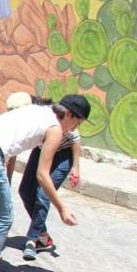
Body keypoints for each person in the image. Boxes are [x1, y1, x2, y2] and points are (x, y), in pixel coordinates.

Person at [0, 94, 90, 272]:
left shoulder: (37, 109)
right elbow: (43, 175)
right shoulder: (54, 129)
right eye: (76, 123)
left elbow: (10, 150)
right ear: (68, 114)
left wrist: (6, 180)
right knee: (5, 217)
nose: (73, 130)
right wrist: (62, 208)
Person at [5, 93, 83, 261]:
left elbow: (75, 139)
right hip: (42, 150)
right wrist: (7, 181)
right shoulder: (23, 120)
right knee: (25, 191)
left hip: (63, 154)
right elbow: (13, 152)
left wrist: (75, 167)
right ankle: (43, 236)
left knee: (43, 193)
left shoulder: (59, 120)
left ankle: (32, 240)